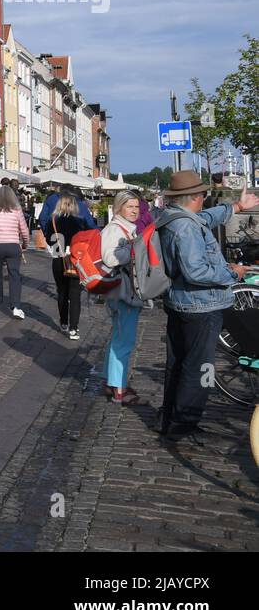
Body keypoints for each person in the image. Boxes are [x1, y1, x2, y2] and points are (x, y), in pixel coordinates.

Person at [156, 172, 259, 440]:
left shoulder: (173, 218)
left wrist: (236, 206)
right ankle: (184, 423)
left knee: (177, 363)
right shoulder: (186, 228)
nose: (204, 199)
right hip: (200, 307)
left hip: (180, 303)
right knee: (200, 368)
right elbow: (197, 272)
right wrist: (233, 273)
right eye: (202, 195)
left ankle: (170, 418)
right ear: (195, 198)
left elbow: (208, 218)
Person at [100, 191, 145, 403]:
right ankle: (119, 389)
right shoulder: (115, 230)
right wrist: (134, 251)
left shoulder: (126, 228)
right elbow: (110, 258)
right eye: (130, 207)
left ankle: (111, 381)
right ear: (119, 208)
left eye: (136, 207)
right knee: (124, 340)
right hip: (122, 291)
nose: (135, 211)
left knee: (119, 337)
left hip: (123, 289)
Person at [0, 185, 31, 318]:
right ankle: (16, 306)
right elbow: (24, 230)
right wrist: (25, 245)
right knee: (14, 275)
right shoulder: (17, 210)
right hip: (13, 245)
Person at [47, 193, 88, 339]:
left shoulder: (53, 221)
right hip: (76, 260)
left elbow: (49, 239)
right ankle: (74, 328)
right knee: (75, 295)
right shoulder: (80, 222)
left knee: (62, 291)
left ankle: (64, 321)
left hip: (59, 258)